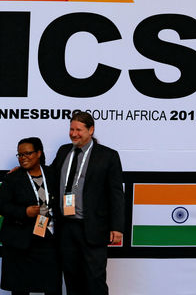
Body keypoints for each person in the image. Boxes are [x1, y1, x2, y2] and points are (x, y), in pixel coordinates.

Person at [51, 111, 124, 295]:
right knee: (71, 278)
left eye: (79, 129)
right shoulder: (63, 151)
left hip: (93, 227)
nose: (74, 133)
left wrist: (117, 227)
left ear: (91, 130)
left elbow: (116, 193)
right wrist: (26, 166)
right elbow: (49, 174)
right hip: (66, 228)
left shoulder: (108, 156)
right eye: (71, 129)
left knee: (95, 279)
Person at [0, 137, 61, 295]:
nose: (23, 158)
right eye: (20, 155)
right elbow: (1, 206)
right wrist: (24, 212)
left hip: (48, 240)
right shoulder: (12, 178)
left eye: (27, 153)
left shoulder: (53, 174)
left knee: (52, 287)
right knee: (20, 288)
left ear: (39, 153)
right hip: (20, 242)